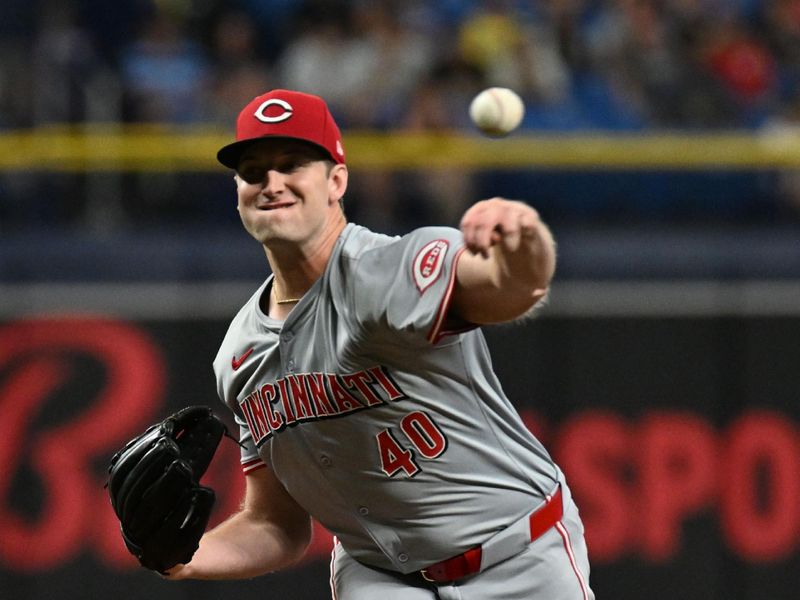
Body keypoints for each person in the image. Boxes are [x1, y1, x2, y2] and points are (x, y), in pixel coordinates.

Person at [164, 88, 594, 600]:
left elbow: (509, 289)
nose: (271, 182)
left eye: (292, 164)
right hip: (379, 576)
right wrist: (184, 558)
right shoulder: (238, 355)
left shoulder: (386, 269)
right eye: (253, 171)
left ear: (336, 180)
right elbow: (276, 523)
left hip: (517, 558)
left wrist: (523, 244)